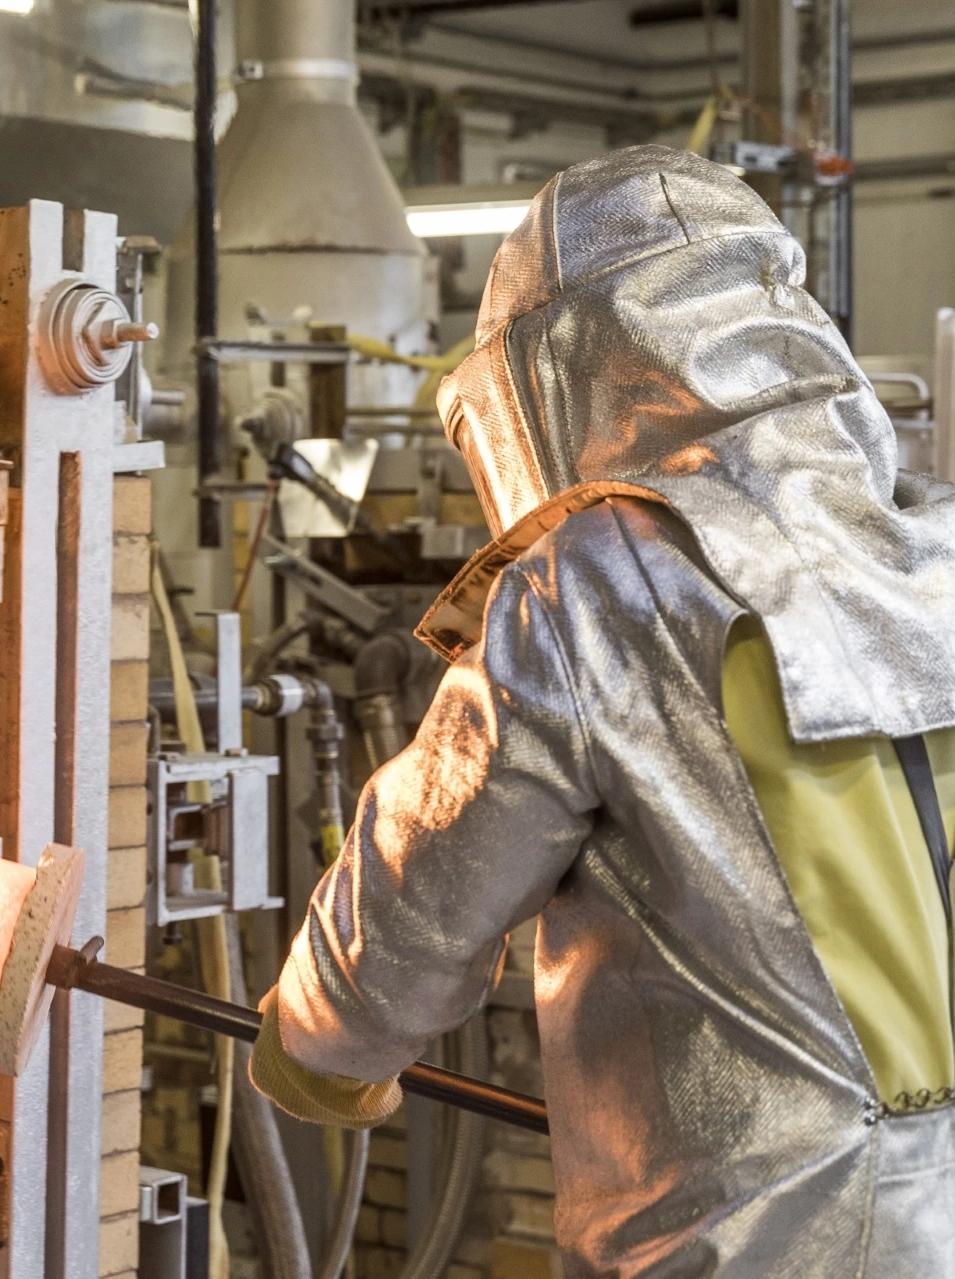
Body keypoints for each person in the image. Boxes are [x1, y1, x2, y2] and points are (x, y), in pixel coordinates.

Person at [249, 144, 955, 1275]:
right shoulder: (940, 547)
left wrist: (318, 1044)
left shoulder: (608, 582)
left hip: (754, 1234)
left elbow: (424, 882)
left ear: (561, 374)